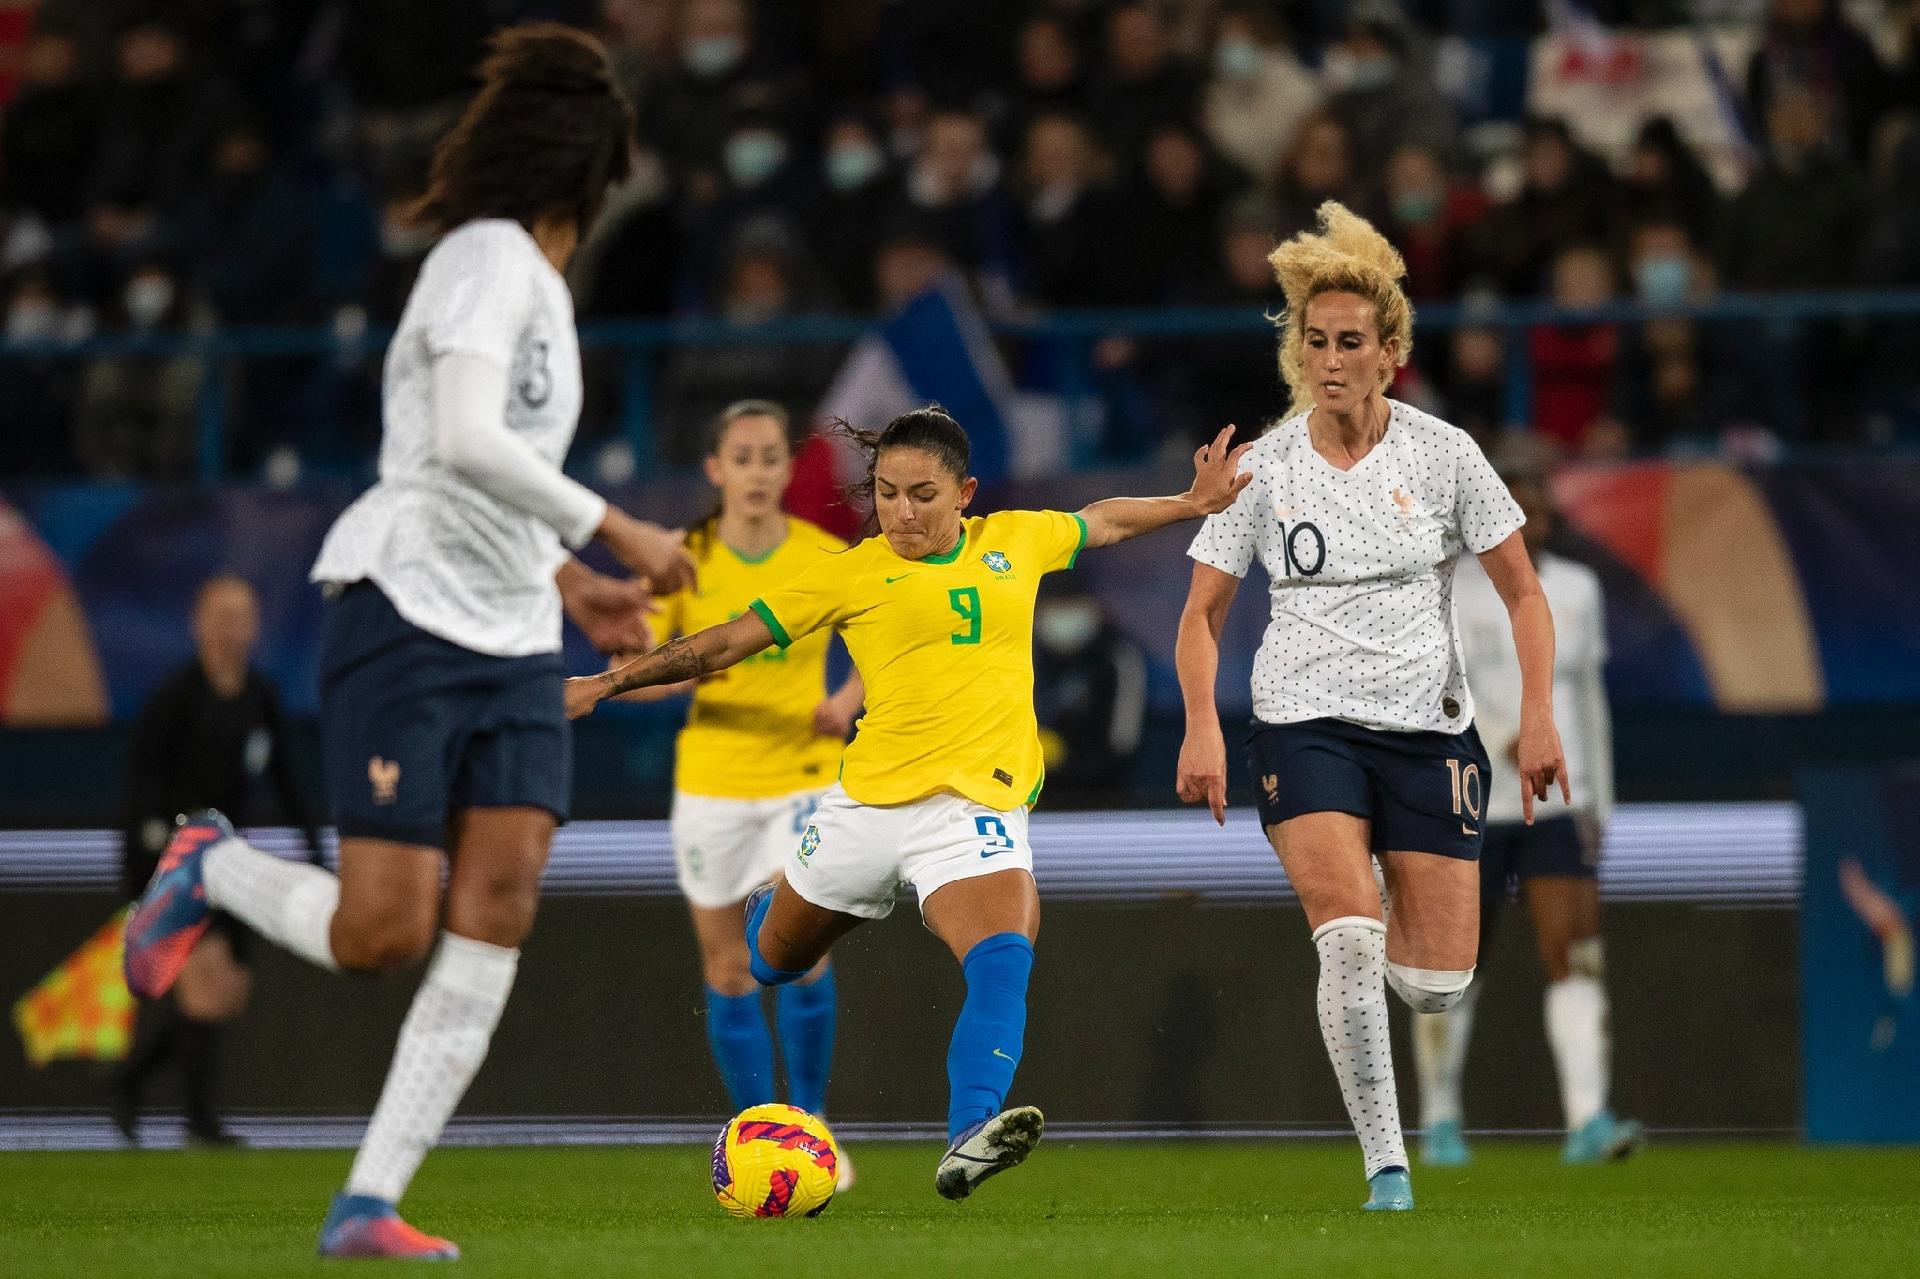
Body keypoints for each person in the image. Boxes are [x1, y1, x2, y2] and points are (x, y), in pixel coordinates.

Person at [122, 25, 692, 1260]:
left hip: (511, 626)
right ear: (585, 174)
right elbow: (468, 439)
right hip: (408, 613)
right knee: (382, 932)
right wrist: (623, 530)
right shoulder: (486, 259)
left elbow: (488, 475)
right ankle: (208, 863)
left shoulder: (538, 288)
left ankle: (366, 1198)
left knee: (501, 898)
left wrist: (574, 580)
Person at [568, 406, 1252, 1200]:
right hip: (862, 809)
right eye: (886, 494)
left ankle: (969, 1133)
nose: (901, 512)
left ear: (964, 492)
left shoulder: (1014, 540)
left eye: (921, 494)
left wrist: (1189, 503)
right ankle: (772, 907)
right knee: (770, 961)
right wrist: (606, 683)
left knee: (1003, 953)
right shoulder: (849, 570)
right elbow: (722, 641)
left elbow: (1099, 522)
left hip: (968, 813)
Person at [1173, 202, 1569, 1212]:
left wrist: (1541, 717)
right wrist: (1204, 722)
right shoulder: (1260, 466)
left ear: (1391, 354)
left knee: (1438, 985)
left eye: (1353, 342)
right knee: (1346, 938)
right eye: (1317, 342)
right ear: (1297, 353)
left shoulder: (1445, 454)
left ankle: (1385, 886)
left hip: (1429, 730)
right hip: (1302, 725)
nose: (1332, 359)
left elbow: (1524, 590)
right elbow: (1202, 615)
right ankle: (1388, 1170)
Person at [615, 400, 862, 1178]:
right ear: (715, 469)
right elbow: (634, 673)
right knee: (727, 967)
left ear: (788, 470)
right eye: (741, 458)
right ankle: (759, 1130)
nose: (756, 472)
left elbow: (890, 637)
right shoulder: (680, 557)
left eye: (769, 458)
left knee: (798, 954)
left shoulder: (827, 555)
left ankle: (813, 1125)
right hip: (714, 781)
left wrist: (847, 702)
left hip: (803, 779)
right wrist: (692, 669)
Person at [1413, 460, 1643, 1167]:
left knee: (1574, 954)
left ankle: (1588, 1120)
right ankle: (1440, 1119)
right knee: (1454, 966)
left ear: (1550, 519)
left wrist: (1599, 801)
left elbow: (1589, 701)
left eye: (1537, 510)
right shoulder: (1448, 589)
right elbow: (1425, 696)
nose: (1525, 522)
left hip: (1558, 803)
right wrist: (1487, 739)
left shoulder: (1576, 588)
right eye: (1511, 508)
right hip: (1470, 802)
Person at [114, 575, 324, 1147]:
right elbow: (142, 790)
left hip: (233, 861)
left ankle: (131, 1079)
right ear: (198, 624)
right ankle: (198, 1121)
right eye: (221, 616)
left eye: (243, 617)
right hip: (179, 863)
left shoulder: (262, 697)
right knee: (203, 984)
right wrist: (143, 869)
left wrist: (317, 853)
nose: (232, 629)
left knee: (229, 991)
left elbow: (286, 780)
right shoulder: (173, 700)